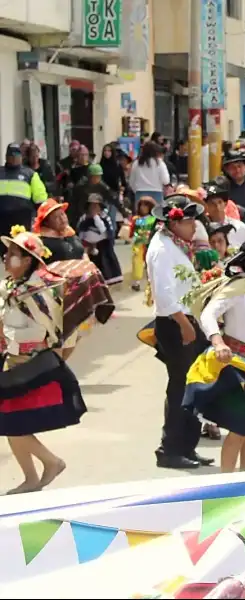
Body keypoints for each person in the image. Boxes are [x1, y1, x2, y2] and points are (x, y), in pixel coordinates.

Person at [185, 236, 245, 473]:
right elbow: (209, 314)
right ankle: (227, 480)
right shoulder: (238, 287)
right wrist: (218, 341)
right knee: (240, 428)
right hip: (239, 362)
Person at [0, 228, 84, 493]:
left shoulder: (38, 293)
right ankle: (32, 478)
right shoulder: (12, 287)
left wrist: (6, 338)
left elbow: (42, 333)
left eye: (12, 254)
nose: (5, 258)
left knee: (11, 423)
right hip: (12, 366)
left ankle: (51, 462)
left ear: (27, 261)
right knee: (11, 424)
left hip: (29, 368)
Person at [145, 195, 214, 469]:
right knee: (179, 388)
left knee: (193, 385)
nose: (194, 227)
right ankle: (170, 449)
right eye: (188, 222)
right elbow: (164, 295)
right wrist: (185, 325)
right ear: (173, 223)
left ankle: (187, 445)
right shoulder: (161, 248)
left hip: (187, 320)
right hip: (176, 323)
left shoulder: (176, 245)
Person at [0, 144, 48, 244]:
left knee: (21, 250)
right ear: (6, 157)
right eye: (11, 156)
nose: (14, 158)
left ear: (21, 157)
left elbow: (40, 199)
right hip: (1, 221)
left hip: (22, 222)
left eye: (16, 156)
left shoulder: (30, 174)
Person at [76, 194, 124, 285]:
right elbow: (81, 231)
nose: (93, 208)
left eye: (96, 205)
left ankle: (109, 279)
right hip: (89, 246)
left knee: (105, 264)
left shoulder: (105, 217)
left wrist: (96, 217)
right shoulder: (84, 218)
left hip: (103, 245)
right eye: (91, 205)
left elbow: (104, 230)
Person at [205, 178, 245, 248]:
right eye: (212, 203)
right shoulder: (202, 229)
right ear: (206, 206)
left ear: (226, 204)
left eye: (220, 202)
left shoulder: (240, 227)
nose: (217, 207)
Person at [129, 196, 158, 291]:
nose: (143, 207)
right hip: (138, 243)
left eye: (146, 205)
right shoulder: (136, 219)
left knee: (151, 262)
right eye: (141, 205)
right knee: (137, 262)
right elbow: (131, 231)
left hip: (150, 243)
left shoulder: (154, 219)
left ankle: (152, 281)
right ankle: (136, 282)